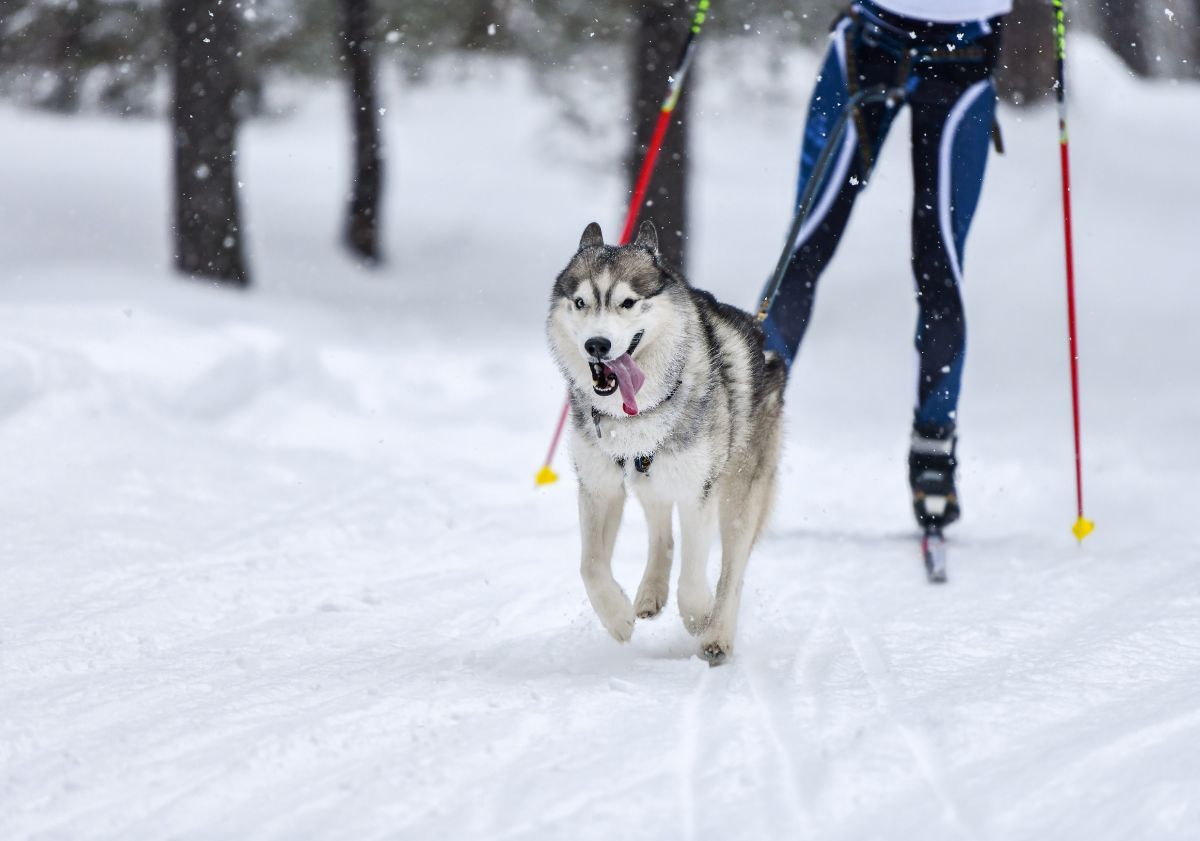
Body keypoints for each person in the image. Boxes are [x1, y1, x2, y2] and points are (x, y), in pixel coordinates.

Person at [760, 0, 1012, 531]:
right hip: (869, 44)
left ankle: (934, 446)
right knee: (805, 244)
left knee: (939, 262)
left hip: (964, 58)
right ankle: (748, 427)